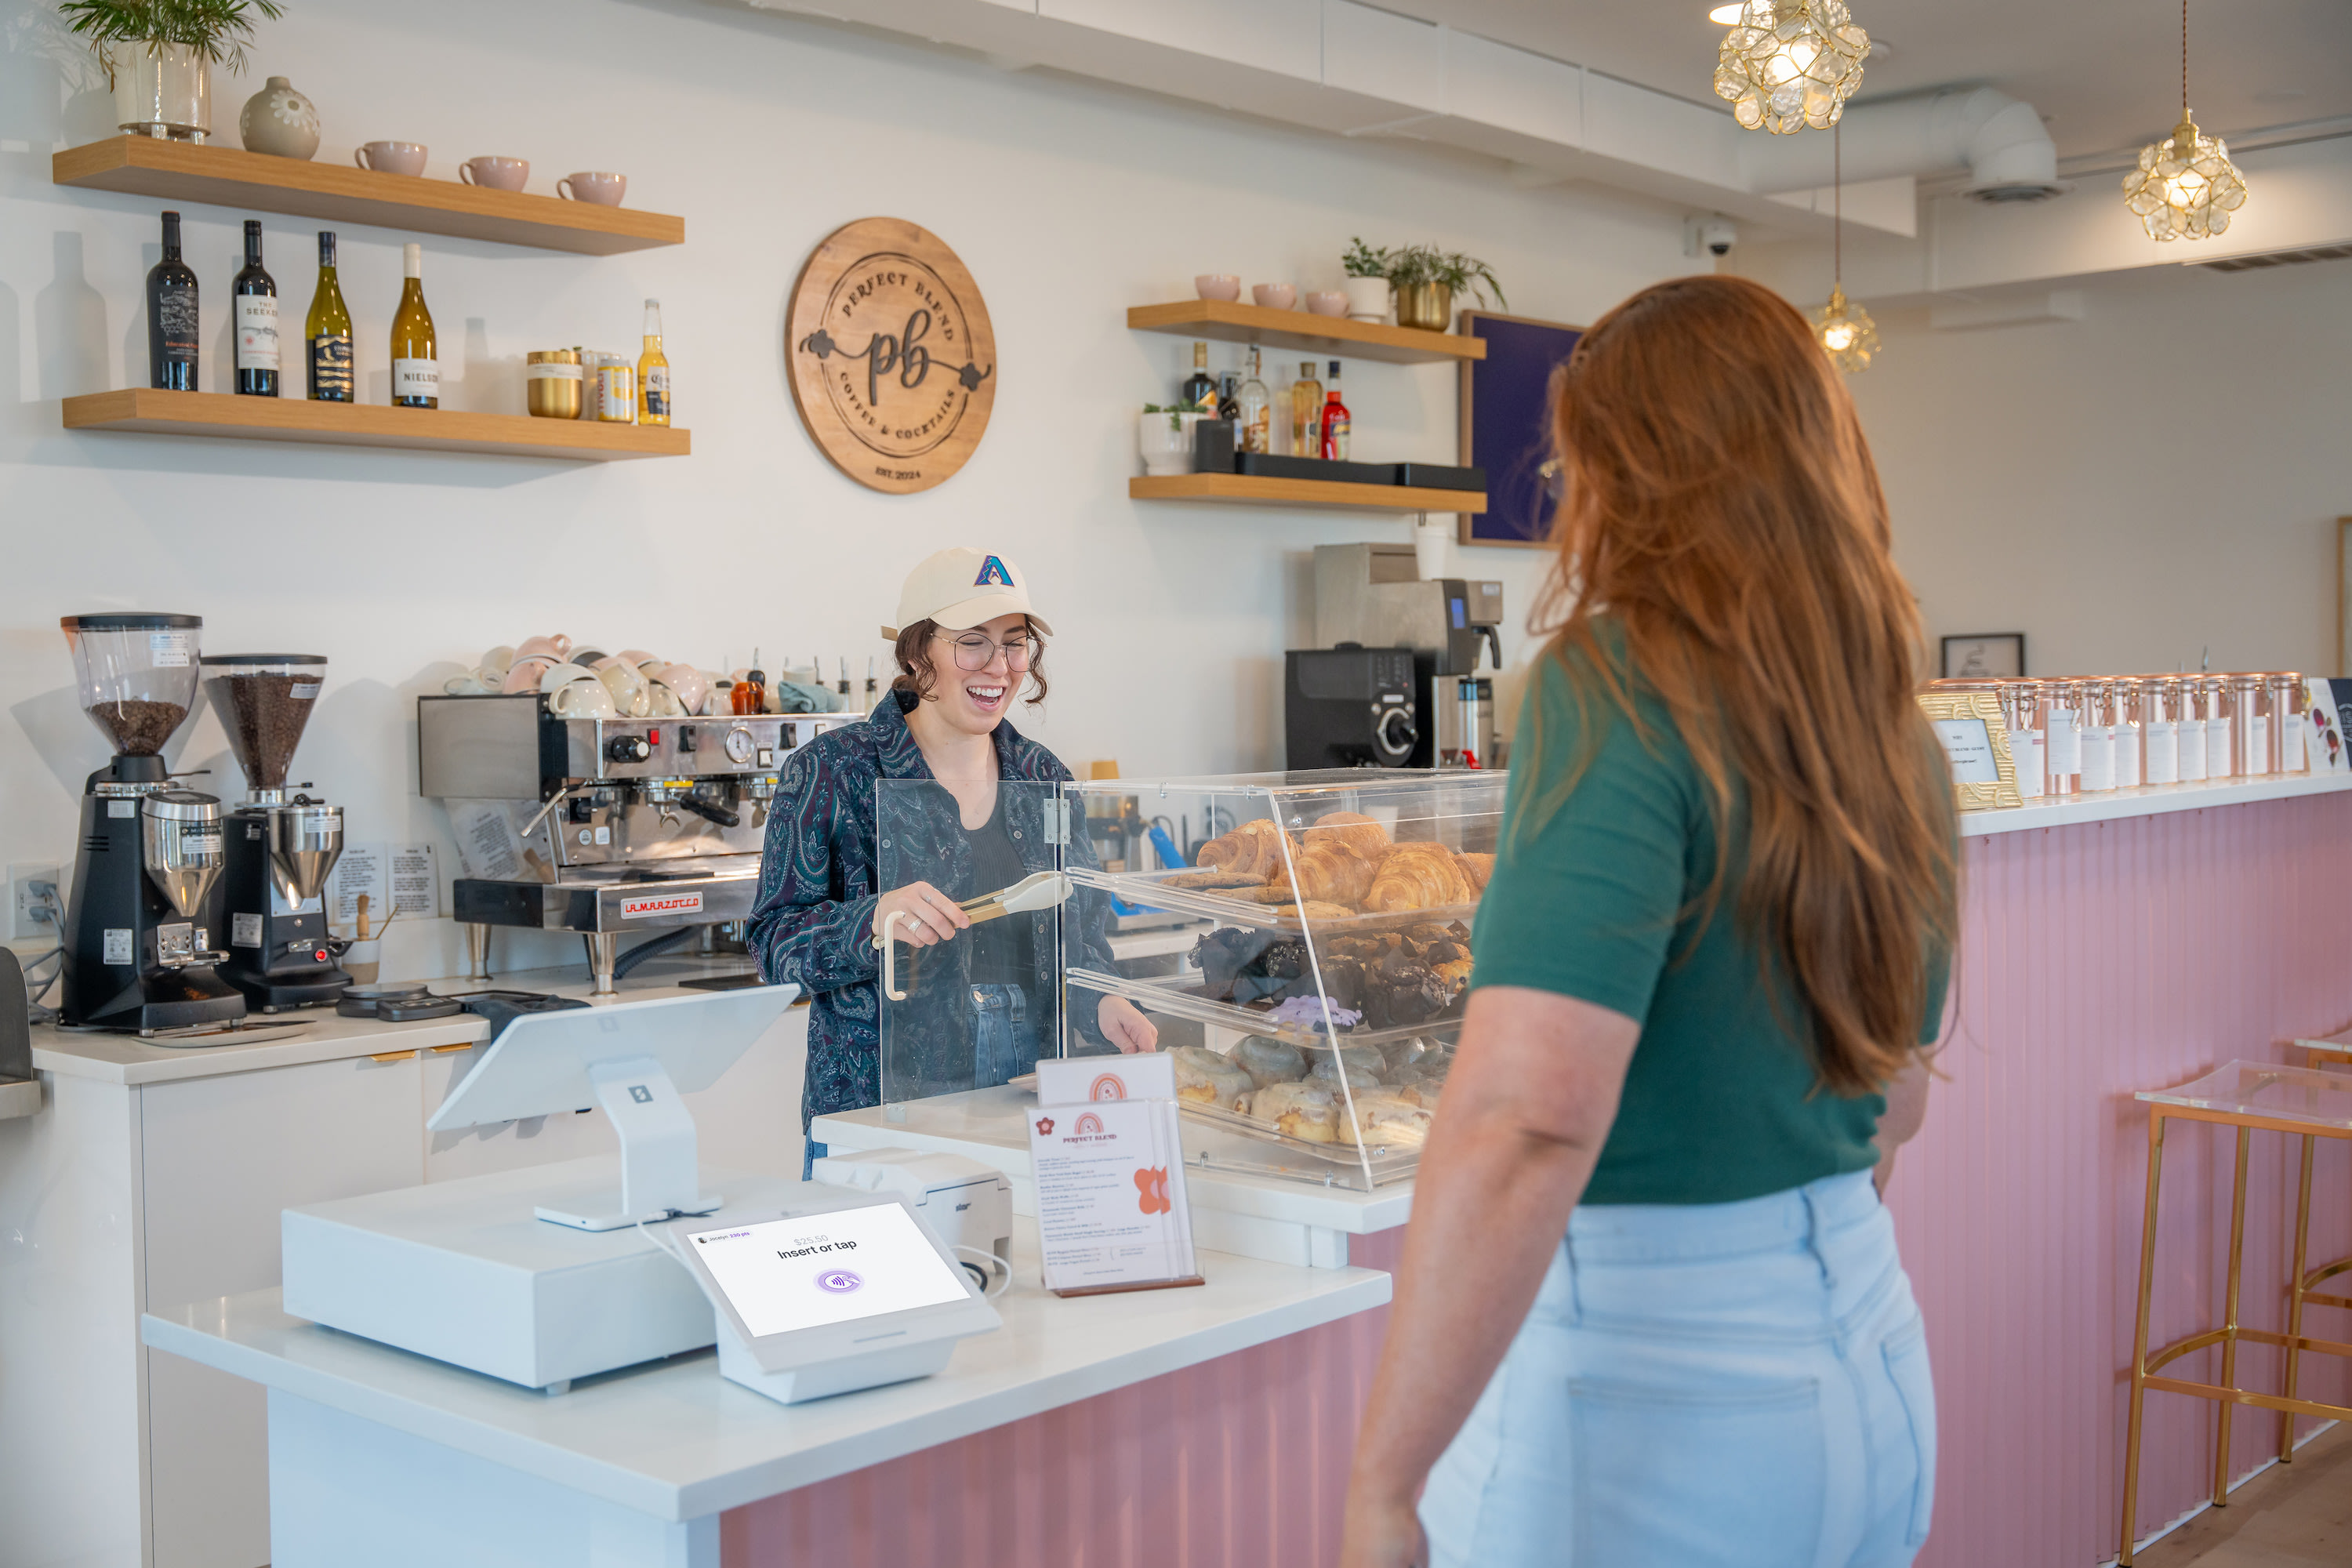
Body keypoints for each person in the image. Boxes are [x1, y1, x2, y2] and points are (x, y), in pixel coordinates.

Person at [1339, 275, 1958, 1568]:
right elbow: (1897, 1100)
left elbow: (1531, 1111)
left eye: (1577, 466)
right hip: (1872, 1356)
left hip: (1654, 1393)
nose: (1570, 502)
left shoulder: (1616, 682)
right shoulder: (1893, 722)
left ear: (1642, 469)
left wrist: (1386, 1485)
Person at [746, 548, 1156, 1171]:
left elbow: (1084, 938)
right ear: (918, 654)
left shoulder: (1043, 775)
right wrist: (873, 921)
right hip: (878, 1107)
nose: (1000, 666)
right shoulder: (834, 770)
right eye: (972, 643)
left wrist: (1105, 1003)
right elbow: (774, 944)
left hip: (1031, 1092)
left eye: (1014, 644)